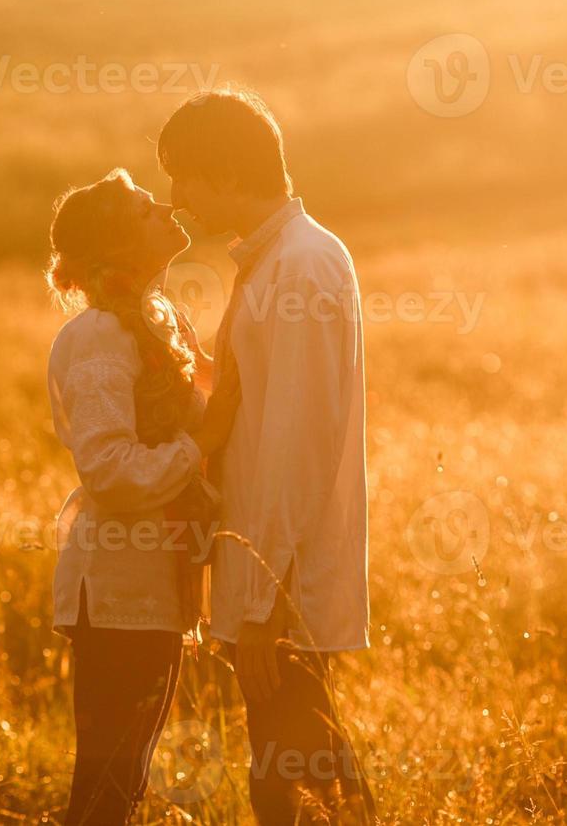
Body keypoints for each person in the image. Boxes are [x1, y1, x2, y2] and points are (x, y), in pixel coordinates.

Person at [158, 88, 376, 824]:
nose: (176, 198)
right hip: (269, 582)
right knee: (308, 781)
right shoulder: (279, 259)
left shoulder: (304, 265)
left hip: (281, 593)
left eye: (181, 175)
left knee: (289, 793)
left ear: (222, 170)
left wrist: (262, 606)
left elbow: (299, 440)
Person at [45, 169, 237, 825]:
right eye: (141, 205)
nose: (163, 204)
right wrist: (200, 444)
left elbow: (218, 395)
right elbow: (109, 470)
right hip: (119, 590)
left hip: (159, 586)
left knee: (122, 789)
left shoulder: (160, 325)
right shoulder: (100, 335)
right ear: (117, 244)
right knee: (104, 791)